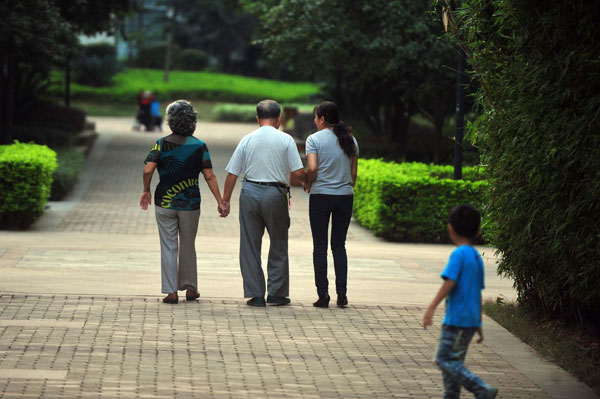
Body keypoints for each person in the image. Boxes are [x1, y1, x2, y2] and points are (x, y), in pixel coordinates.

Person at [140, 100, 228, 304]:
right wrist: (221, 201)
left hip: (165, 202)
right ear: (192, 121)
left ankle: (171, 292)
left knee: (169, 245)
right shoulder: (199, 145)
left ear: (170, 121)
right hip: (190, 203)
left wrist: (146, 190)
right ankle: (190, 289)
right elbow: (210, 176)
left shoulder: (161, 143)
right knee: (188, 244)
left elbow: (147, 169)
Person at [223, 99, 307, 307]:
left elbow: (232, 173)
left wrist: (225, 201)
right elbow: (298, 173)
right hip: (275, 194)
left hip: (250, 192)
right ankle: (277, 293)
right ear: (279, 118)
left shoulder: (247, 139)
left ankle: (256, 294)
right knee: (278, 243)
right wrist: (308, 181)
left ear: (258, 118)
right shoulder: (286, 140)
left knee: (250, 245)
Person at [422, 205, 498, 399]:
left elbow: (450, 281)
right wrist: (478, 323)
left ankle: (481, 388)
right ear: (478, 231)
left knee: (443, 360)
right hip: (470, 320)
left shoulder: (459, 254)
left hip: (456, 320)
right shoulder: (475, 257)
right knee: (452, 370)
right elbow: (477, 293)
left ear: (450, 228)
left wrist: (431, 307)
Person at [305, 101, 358, 308]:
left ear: (322, 119)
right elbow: (353, 175)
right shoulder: (351, 140)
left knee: (320, 247)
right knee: (339, 245)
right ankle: (342, 293)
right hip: (345, 196)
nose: (315, 122)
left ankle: (323, 295)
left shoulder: (313, 139)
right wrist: (343, 185)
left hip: (320, 196)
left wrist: (309, 183)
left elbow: (313, 168)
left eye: (316, 118)